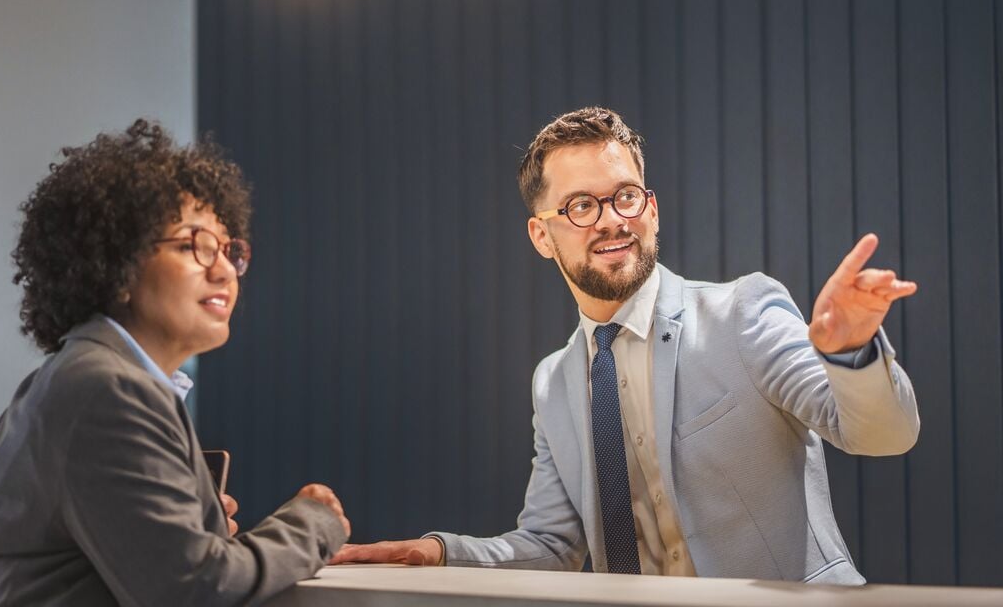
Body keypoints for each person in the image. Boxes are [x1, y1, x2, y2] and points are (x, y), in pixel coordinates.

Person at [334, 106, 920, 584]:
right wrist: (439, 554)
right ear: (542, 235)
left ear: (652, 208)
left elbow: (882, 434)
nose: (611, 220)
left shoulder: (743, 311)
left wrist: (851, 353)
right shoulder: (554, 381)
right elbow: (550, 547)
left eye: (626, 197)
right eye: (581, 206)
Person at [0, 121, 350, 605]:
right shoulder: (109, 390)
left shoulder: (73, 376)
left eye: (230, 251)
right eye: (196, 245)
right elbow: (195, 589)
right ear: (117, 265)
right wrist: (310, 524)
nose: (224, 268)